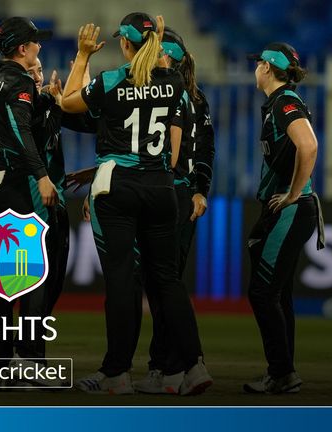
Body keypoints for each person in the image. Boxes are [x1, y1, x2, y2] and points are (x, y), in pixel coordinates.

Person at [60, 13, 211, 395]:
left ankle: (117, 372)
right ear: (155, 45)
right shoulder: (175, 82)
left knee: (122, 280)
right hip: (161, 187)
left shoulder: (111, 82)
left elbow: (68, 103)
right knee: (167, 279)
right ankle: (194, 365)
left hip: (118, 187)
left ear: (124, 44)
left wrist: (81, 56)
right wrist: (156, 43)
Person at [134, 27, 216, 394]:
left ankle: (174, 367)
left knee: (162, 282)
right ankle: (176, 367)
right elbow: (207, 152)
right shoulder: (197, 97)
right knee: (168, 281)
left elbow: (173, 153)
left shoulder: (164, 95)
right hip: (184, 196)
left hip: (165, 193)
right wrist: (201, 190)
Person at [0, 17, 58, 381]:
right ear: (23, 49)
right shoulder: (20, 81)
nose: (40, 47)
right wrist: (41, 176)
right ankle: (30, 359)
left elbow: (12, 122)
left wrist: (45, 101)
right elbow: (21, 130)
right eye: (35, 43)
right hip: (17, 184)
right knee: (30, 278)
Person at [243, 42, 323, 394]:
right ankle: (283, 371)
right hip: (288, 207)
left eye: (257, 62)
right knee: (278, 294)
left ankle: (282, 372)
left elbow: (309, 145)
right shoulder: (278, 103)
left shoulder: (284, 102)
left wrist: (293, 193)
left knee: (263, 292)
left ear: (267, 67)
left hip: (292, 208)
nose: (254, 67)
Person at [27, 58, 97, 316]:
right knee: (35, 281)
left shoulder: (46, 103)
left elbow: (89, 120)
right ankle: (27, 347)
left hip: (56, 202)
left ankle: (29, 342)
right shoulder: (22, 108)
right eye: (30, 71)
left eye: (40, 70)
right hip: (34, 204)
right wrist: (58, 105)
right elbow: (41, 132)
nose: (37, 76)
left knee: (53, 282)